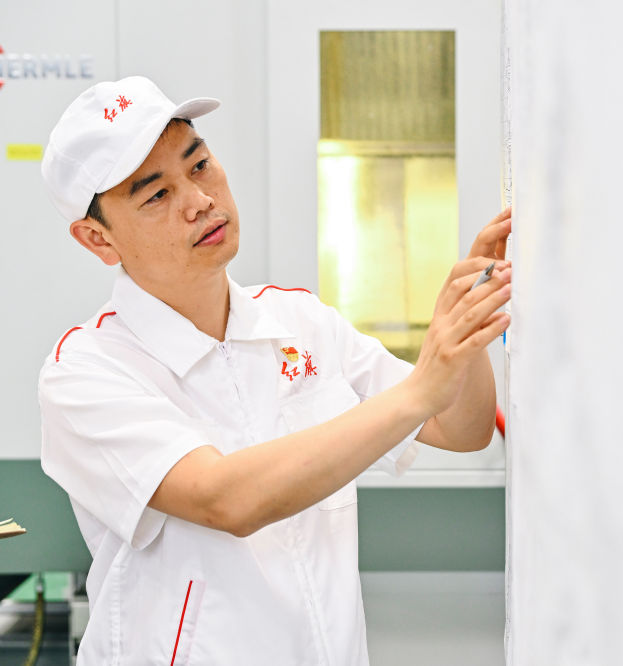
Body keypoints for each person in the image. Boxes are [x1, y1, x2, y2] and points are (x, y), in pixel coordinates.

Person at [37, 76, 512, 665]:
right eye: (156, 195)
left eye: (200, 165)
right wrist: (421, 389)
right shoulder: (86, 371)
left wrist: (468, 328)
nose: (199, 200)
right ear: (97, 239)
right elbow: (225, 499)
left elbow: (461, 431)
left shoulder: (298, 320)